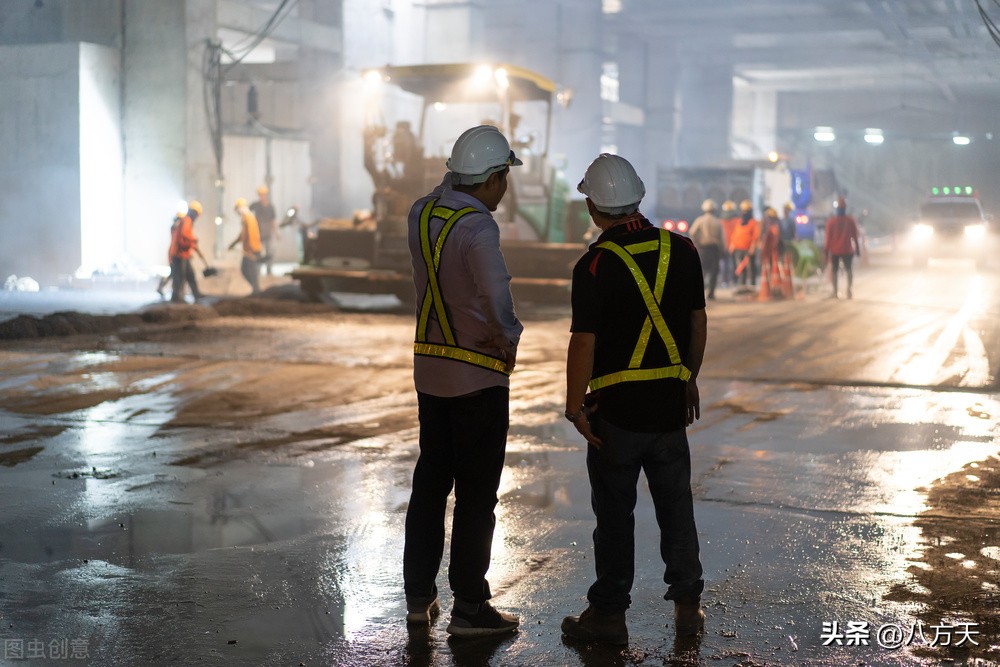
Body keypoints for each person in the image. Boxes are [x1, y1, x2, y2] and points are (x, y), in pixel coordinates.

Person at [561, 153, 707, 645]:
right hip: (669, 410)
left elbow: (584, 341)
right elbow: (697, 321)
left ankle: (608, 617)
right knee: (676, 512)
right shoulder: (682, 250)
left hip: (615, 418)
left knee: (615, 519)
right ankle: (689, 608)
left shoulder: (595, 264)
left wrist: (573, 405)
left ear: (593, 207)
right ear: (638, 197)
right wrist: (687, 377)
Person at [402, 125, 523, 637]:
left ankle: (418, 597)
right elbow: (496, 298)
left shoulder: (420, 212)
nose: (506, 189)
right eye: (505, 178)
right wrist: (508, 339)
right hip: (477, 374)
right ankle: (470, 608)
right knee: (476, 495)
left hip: (430, 369)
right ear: (492, 178)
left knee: (431, 482)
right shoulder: (479, 228)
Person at [824, 196, 861, 299]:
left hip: (835, 251)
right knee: (849, 270)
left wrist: (826, 251)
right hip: (847, 250)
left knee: (835, 271)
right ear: (845, 208)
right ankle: (849, 291)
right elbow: (855, 236)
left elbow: (828, 239)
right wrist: (857, 249)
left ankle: (835, 292)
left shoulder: (831, 222)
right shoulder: (850, 221)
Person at [170, 201, 206, 303]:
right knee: (179, 277)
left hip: (184, 254)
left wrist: (195, 248)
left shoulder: (185, 220)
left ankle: (196, 294)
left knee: (190, 275)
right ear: (194, 212)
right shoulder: (187, 220)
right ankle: (176, 297)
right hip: (179, 254)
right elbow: (185, 234)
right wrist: (194, 239)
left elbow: (187, 239)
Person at [688, 199, 724, 300]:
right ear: (714, 209)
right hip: (714, 249)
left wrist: (696, 244)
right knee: (714, 272)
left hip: (703, 249)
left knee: (702, 272)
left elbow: (692, 232)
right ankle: (711, 294)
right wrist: (722, 251)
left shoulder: (700, 220)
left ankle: (699, 294)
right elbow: (722, 239)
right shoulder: (717, 222)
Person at [228, 198, 263, 295]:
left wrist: (250, 250)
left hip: (252, 250)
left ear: (241, 208)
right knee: (246, 270)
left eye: (238, 208)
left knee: (251, 272)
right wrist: (233, 243)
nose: (237, 211)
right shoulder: (245, 218)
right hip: (248, 250)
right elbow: (243, 235)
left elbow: (251, 234)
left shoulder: (249, 217)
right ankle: (255, 291)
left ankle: (257, 292)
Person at [728, 199, 759, 289]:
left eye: (746, 211)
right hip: (738, 249)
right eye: (743, 211)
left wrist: (753, 247)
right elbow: (735, 235)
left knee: (751, 268)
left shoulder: (753, 223)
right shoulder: (739, 222)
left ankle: (753, 286)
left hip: (748, 250)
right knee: (741, 269)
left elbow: (755, 236)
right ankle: (742, 286)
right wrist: (732, 245)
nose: (745, 212)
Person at [249, 185, 277, 276]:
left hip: (268, 234)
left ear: (266, 195)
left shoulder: (271, 207)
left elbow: (273, 220)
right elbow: (248, 213)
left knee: (269, 253)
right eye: (260, 195)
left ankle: (269, 272)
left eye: (263, 195)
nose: (262, 196)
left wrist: (276, 233)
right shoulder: (255, 205)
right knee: (258, 253)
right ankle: (258, 272)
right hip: (258, 234)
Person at [719, 200, 739, 286]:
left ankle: (724, 281)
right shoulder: (737, 220)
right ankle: (735, 281)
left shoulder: (720, 220)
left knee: (724, 264)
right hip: (734, 245)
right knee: (734, 263)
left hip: (723, 245)